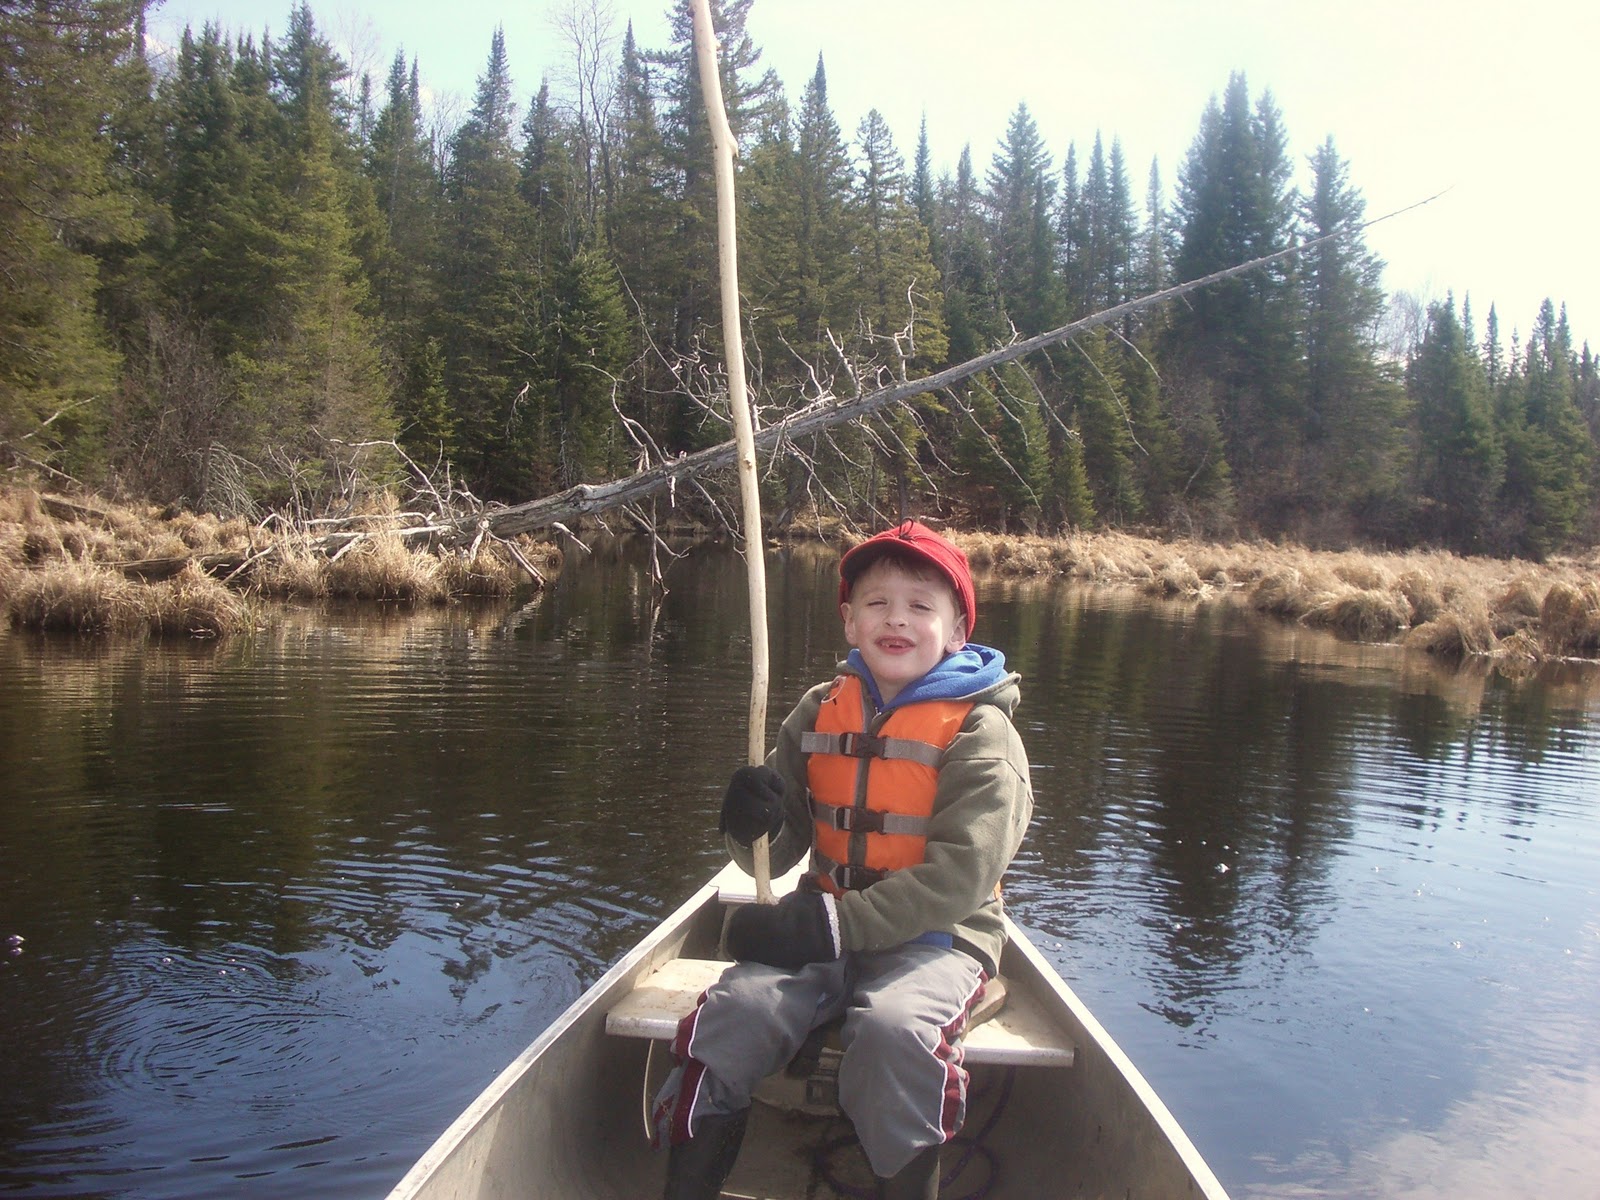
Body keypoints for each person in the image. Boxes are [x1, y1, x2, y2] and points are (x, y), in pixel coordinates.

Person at [653, 519, 1034, 1200]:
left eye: (921, 606)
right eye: (877, 603)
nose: (897, 619)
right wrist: (745, 826)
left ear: (955, 633)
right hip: (827, 930)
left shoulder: (983, 731)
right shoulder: (817, 710)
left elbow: (958, 880)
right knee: (735, 1014)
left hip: (937, 942)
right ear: (850, 622)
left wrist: (831, 927)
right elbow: (776, 850)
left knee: (894, 1036)